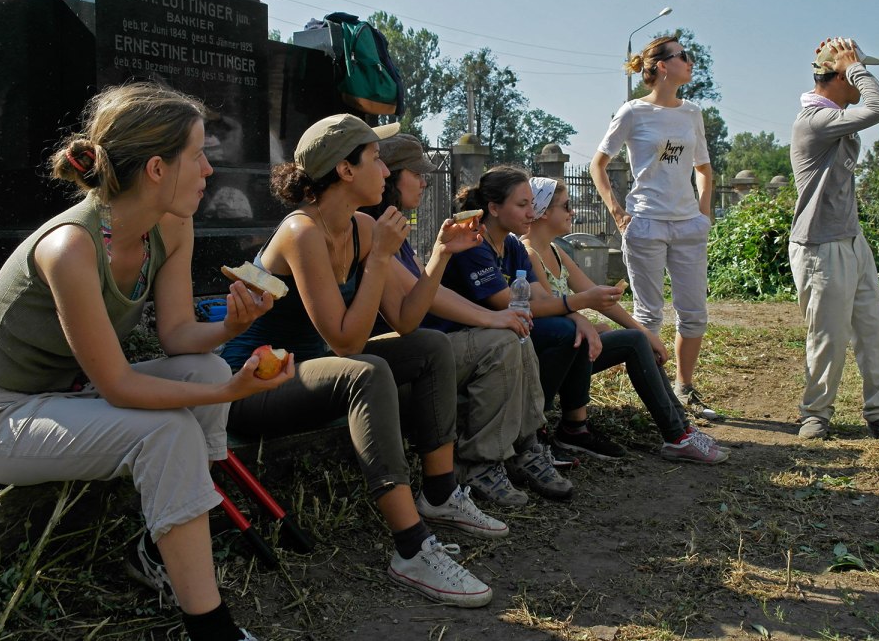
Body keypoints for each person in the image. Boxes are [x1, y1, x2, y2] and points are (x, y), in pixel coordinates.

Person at [0, 83, 286, 641]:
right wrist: (231, 395)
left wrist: (235, 325)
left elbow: (179, 336)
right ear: (157, 168)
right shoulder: (70, 249)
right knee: (169, 432)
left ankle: (162, 544)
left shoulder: (172, 225)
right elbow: (120, 386)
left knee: (206, 368)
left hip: (70, 397)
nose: (208, 169)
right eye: (198, 155)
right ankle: (210, 629)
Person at [220, 114, 502, 608]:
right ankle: (412, 551)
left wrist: (438, 254)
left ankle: (439, 493)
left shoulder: (364, 225)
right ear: (345, 171)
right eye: (375, 159)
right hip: (253, 384)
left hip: (308, 369)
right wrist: (376, 262)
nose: (386, 172)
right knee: (366, 371)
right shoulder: (301, 231)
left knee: (429, 348)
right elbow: (348, 344)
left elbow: (409, 319)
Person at [364, 134, 548, 506]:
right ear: (391, 176)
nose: (425, 181)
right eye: (417, 174)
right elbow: (410, 311)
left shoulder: (392, 226)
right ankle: (478, 464)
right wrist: (493, 318)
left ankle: (527, 445)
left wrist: (498, 317)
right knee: (502, 341)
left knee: (514, 332)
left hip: (413, 348)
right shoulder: (373, 226)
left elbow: (425, 287)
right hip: (395, 359)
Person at [522, 177, 728, 464]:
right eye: (566, 206)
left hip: (572, 347)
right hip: (547, 358)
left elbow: (597, 298)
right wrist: (598, 326)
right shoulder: (529, 253)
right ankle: (677, 435)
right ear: (543, 212)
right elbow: (550, 309)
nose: (573, 212)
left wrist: (646, 333)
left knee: (636, 339)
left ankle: (681, 429)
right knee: (630, 341)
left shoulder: (556, 251)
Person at [437, 165, 621, 473]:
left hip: (502, 333)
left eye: (531, 204)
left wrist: (578, 315)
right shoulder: (473, 242)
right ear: (493, 208)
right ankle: (533, 437)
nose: (530, 212)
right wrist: (580, 305)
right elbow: (504, 304)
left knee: (569, 330)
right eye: (522, 205)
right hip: (461, 339)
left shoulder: (511, 244)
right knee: (561, 331)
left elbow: (538, 299)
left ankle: (538, 435)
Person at [590, 34, 718, 420]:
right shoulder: (632, 112)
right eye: (684, 56)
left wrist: (703, 213)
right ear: (663, 66)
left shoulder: (692, 113)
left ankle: (684, 386)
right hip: (645, 223)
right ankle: (657, 397)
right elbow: (599, 164)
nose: (691, 62)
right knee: (648, 315)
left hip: (687, 227)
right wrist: (616, 209)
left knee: (694, 313)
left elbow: (704, 168)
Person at [788, 37, 879, 442]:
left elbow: (872, 106)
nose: (864, 79)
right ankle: (816, 414)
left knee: (872, 331)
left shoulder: (834, 116)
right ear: (840, 74)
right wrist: (853, 66)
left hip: (852, 242)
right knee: (829, 337)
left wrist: (850, 66)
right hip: (820, 247)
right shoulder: (813, 121)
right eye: (857, 72)